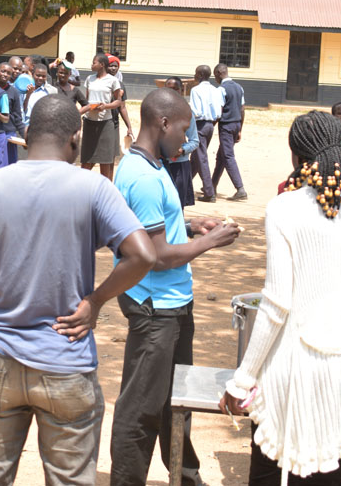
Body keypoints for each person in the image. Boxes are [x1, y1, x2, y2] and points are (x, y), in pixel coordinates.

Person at [0, 93, 158, 485]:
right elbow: (143, 255)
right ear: (75, 138)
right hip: (65, 361)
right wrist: (95, 301)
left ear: (26, 135)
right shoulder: (93, 187)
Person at [220, 111, 341, 485]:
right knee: (331, 469)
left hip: (293, 369)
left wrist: (242, 381)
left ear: (296, 156)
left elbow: (276, 305)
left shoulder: (284, 208)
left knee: (270, 468)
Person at [110, 88, 241, 486]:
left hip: (172, 301)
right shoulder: (143, 177)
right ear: (163, 123)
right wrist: (210, 242)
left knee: (176, 397)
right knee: (142, 406)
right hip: (154, 306)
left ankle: (185, 474)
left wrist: (189, 226)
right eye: (184, 130)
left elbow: (151, 229)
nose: (188, 140)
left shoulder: (151, 166)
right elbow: (156, 256)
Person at [80, 53, 124, 181]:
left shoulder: (113, 81)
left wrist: (105, 106)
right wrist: (87, 108)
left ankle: (105, 188)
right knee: (86, 159)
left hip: (105, 124)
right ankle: (82, 186)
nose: (91, 65)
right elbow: (87, 100)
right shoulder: (89, 79)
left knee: (105, 160)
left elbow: (118, 102)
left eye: (94, 62)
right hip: (89, 122)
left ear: (102, 64)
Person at [188, 65, 224, 202]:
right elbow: (218, 112)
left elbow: (196, 111)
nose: (194, 76)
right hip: (210, 126)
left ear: (201, 75)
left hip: (199, 125)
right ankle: (184, 183)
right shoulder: (216, 90)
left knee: (201, 158)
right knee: (196, 158)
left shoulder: (196, 90)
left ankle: (209, 192)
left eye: (196, 73)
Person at [211, 63, 247, 201]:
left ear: (219, 73)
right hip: (236, 124)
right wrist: (240, 129)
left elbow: (219, 112)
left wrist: (211, 125)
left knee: (228, 156)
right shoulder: (239, 87)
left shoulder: (221, 89)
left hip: (226, 126)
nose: (215, 79)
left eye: (215, 76)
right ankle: (212, 185)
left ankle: (240, 188)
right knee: (221, 156)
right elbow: (242, 109)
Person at [163, 77, 198, 208]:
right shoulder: (157, 111)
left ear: (181, 90)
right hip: (160, 164)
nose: (172, 92)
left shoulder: (187, 113)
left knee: (177, 205)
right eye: (169, 89)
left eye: (175, 89)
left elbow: (195, 141)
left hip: (179, 164)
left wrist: (182, 150)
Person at [0, 63, 26, 163]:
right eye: (3, 71)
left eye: (8, 73)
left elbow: (17, 118)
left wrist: (25, 137)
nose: (5, 74)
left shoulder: (14, 92)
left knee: (8, 166)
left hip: (9, 135)